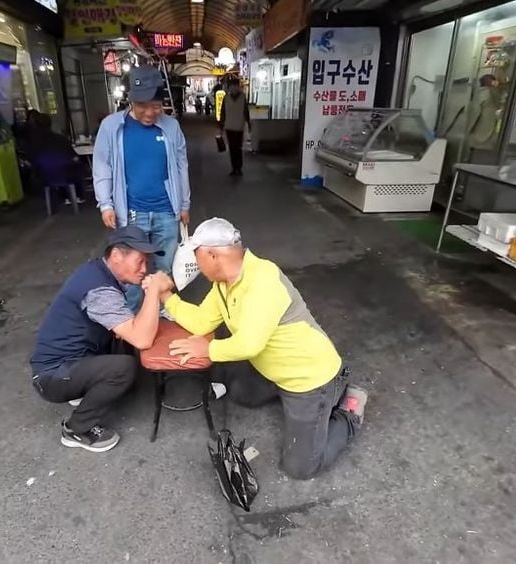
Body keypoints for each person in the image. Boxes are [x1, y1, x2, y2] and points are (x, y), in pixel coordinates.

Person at [146, 218, 368, 480]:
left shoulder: (263, 280)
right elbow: (201, 321)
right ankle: (296, 404)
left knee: (300, 468)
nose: (196, 266)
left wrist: (207, 349)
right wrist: (165, 296)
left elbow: (250, 344)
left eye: (197, 257)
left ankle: (347, 411)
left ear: (212, 255)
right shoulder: (223, 284)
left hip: (309, 379)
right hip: (274, 370)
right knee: (242, 394)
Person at [29, 226, 165, 453]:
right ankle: (76, 429)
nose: (145, 269)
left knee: (123, 335)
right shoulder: (99, 290)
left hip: (72, 359)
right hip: (52, 376)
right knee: (124, 368)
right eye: (140, 261)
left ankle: (86, 387)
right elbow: (142, 339)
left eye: (147, 262)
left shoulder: (98, 270)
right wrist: (154, 292)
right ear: (116, 256)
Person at [93, 65, 190, 312]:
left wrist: (184, 204)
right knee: (132, 270)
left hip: (167, 212)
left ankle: (161, 311)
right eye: (142, 106)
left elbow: (181, 166)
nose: (149, 113)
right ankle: (134, 319)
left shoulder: (171, 127)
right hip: (132, 213)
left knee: (164, 266)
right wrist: (106, 204)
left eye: (156, 106)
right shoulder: (112, 127)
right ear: (131, 102)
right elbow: (102, 166)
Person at [219, 79, 250, 176]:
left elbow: (222, 113)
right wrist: (248, 123)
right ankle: (238, 168)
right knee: (238, 148)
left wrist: (221, 125)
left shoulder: (226, 98)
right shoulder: (242, 97)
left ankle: (235, 168)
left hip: (230, 127)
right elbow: (246, 112)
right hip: (238, 127)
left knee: (233, 148)